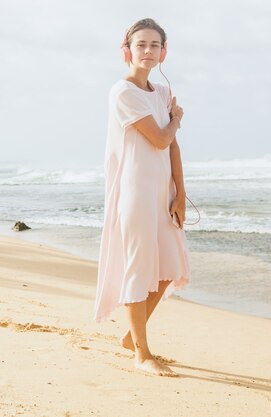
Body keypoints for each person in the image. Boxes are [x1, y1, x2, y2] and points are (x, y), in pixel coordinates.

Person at [93, 18, 190, 377]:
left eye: (154, 45)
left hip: (161, 192)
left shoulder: (161, 93)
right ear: (127, 50)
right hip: (133, 193)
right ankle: (142, 353)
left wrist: (180, 193)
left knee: (169, 267)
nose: (147, 51)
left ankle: (129, 336)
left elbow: (173, 147)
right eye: (141, 45)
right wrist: (176, 119)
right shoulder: (123, 93)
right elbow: (161, 138)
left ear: (164, 52)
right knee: (139, 268)